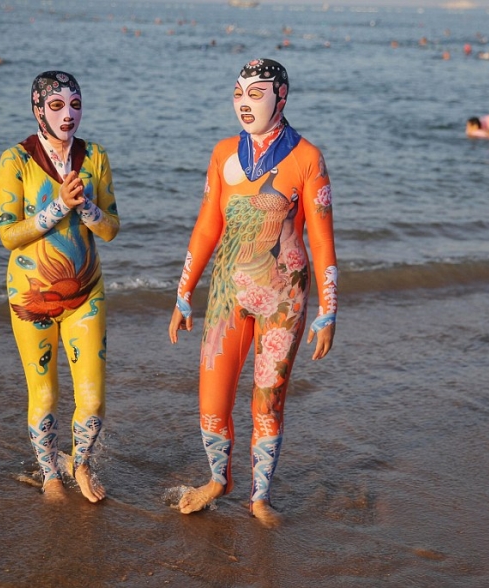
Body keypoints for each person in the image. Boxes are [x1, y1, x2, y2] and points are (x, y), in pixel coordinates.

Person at [168, 58, 338, 528]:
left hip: (284, 298)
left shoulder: (307, 158)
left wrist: (329, 309)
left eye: (256, 94)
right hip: (228, 293)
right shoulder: (223, 153)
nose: (244, 103)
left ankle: (259, 497)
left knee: (268, 400)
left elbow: (322, 239)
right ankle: (218, 480)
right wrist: (184, 292)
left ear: (280, 98)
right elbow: (207, 227)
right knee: (211, 402)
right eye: (239, 93)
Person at [0, 71, 120, 503]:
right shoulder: (17, 160)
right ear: (37, 109)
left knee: (93, 398)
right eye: (56, 105)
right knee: (44, 393)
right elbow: (8, 235)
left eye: (76, 104)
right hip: (31, 298)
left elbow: (111, 230)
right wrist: (57, 207)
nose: (69, 115)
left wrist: (85, 208)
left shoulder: (96, 156)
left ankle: (80, 465)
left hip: (87, 294)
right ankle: (50, 475)